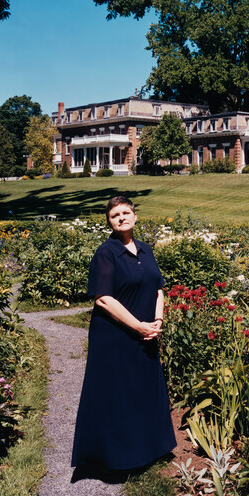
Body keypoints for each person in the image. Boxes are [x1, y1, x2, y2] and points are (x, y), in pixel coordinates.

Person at [71, 196, 176, 475]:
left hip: (146, 334)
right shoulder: (106, 253)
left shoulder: (146, 250)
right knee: (117, 396)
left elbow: (158, 289)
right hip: (115, 337)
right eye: (114, 214)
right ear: (109, 221)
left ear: (135, 216)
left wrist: (157, 321)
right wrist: (138, 326)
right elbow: (103, 299)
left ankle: (149, 450)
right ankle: (117, 460)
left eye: (125, 212)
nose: (121, 217)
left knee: (144, 392)